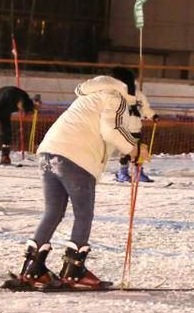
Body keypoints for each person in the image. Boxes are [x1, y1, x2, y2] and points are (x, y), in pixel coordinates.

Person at [10, 67, 147, 290]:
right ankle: (74, 271)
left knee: (52, 212)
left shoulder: (89, 96)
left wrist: (129, 147)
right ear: (128, 84)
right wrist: (135, 148)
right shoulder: (116, 97)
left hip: (48, 153)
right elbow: (111, 130)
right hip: (75, 158)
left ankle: (33, 269)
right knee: (83, 214)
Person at [0, 86, 36, 165]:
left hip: (5, 110)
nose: (19, 110)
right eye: (20, 108)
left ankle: (5, 156)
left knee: (7, 131)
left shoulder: (26, 99)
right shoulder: (8, 94)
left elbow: (30, 107)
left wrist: (33, 109)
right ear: (20, 102)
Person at [115, 86, 158, 183]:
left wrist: (152, 115)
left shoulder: (139, 96)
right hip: (124, 129)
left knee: (139, 151)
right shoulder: (119, 95)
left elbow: (145, 108)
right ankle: (122, 173)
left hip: (136, 128)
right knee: (125, 152)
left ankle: (138, 173)